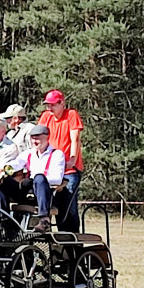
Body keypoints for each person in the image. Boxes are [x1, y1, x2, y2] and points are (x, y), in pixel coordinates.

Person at [3, 125, 66, 232]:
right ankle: (3, 218)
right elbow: (16, 164)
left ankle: (44, 220)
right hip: (27, 192)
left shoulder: (56, 154)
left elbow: (57, 179)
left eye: (38, 138)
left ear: (47, 137)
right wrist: (3, 170)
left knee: (39, 178)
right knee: (3, 180)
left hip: (44, 194)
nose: (35, 141)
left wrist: (34, 181)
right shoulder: (29, 153)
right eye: (32, 138)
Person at [37, 90, 83, 232]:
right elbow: (39, 136)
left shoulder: (71, 115)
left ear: (62, 103)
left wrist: (73, 159)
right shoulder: (46, 116)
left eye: (52, 105)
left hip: (68, 170)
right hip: (51, 168)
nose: (49, 109)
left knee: (69, 206)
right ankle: (58, 237)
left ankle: (74, 237)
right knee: (53, 205)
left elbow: (74, 138)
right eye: (47, 105)